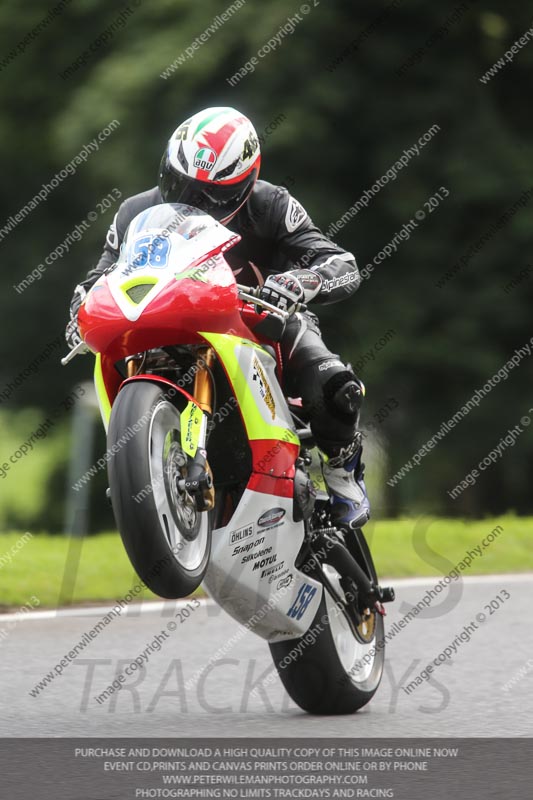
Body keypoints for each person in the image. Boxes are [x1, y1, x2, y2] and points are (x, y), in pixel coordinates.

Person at [66, 106, 370, 529]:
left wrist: (300, 282)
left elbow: (340, 262)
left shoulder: (272, 204)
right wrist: (82, 301)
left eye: (210, 196)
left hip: (257, 319)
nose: (191, 202)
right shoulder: (133, 213)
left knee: (336, 385)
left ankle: (342, 464)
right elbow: (102, 272)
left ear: (245, 184)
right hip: (170, 316)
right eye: (179, 184)